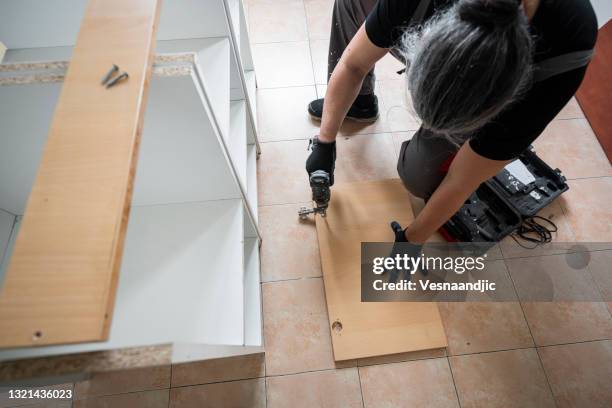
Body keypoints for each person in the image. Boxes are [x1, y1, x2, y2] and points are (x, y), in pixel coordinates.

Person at [305, 0, 597, 244]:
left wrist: (411, 241)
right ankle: (360, 102)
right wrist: (325, 140)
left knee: (417, 176)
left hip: (530, 72)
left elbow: (462, 179)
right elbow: (353, 63)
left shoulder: (565, 52)